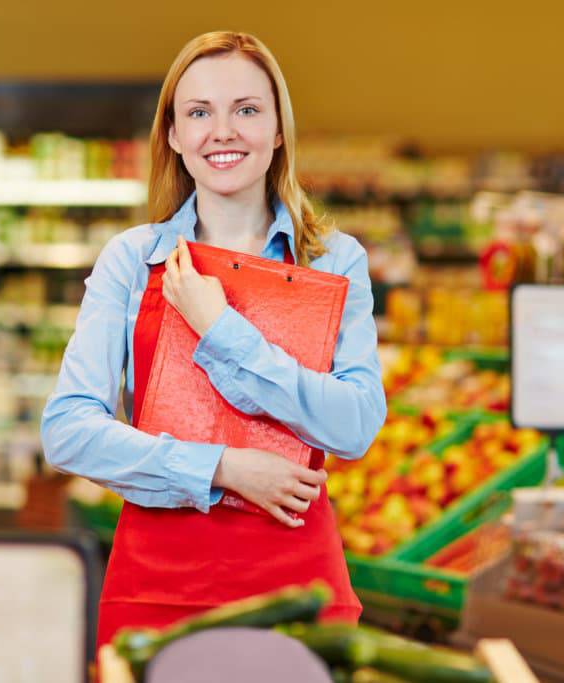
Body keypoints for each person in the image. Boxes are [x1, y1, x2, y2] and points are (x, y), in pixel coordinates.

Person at [40, 30, 386, 650]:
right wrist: (225, 470)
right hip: (157, 587)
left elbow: (356, 425)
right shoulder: (131, 260)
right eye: (199, 112)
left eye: (246, 110)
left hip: (298, 589)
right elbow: (67, 430)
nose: (222, 131)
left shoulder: (334, 261)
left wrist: (222, 331)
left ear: (279, 129)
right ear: (173, 134)